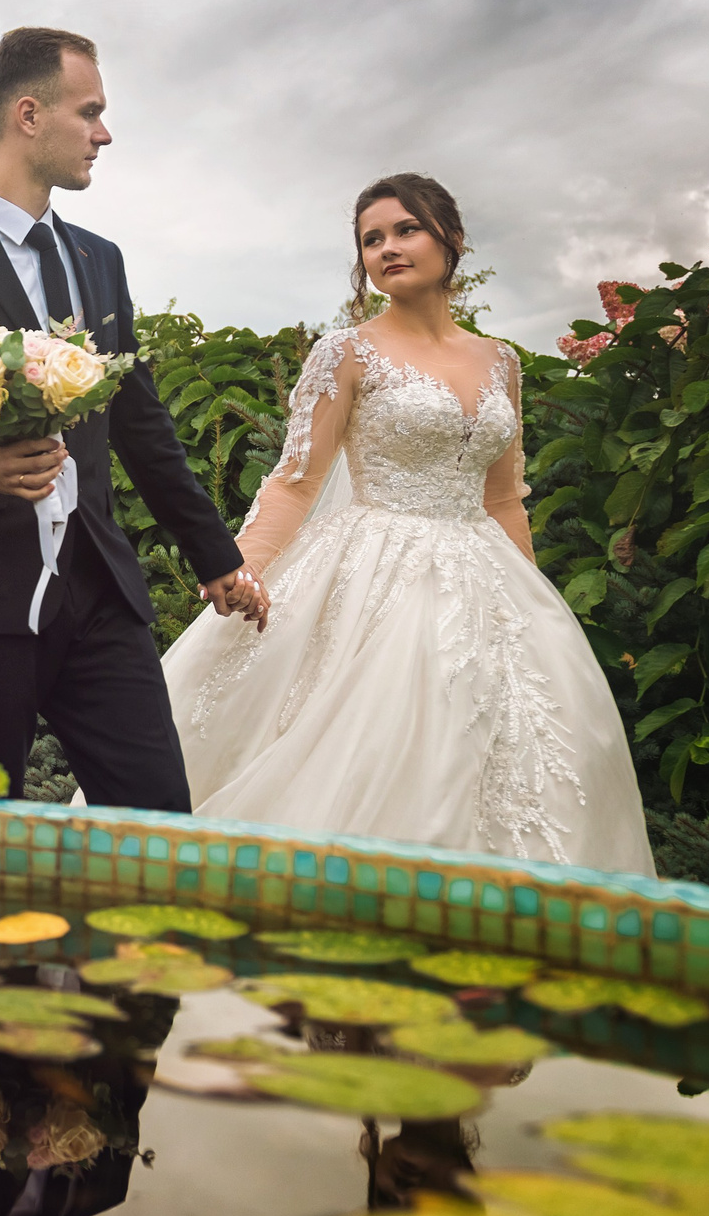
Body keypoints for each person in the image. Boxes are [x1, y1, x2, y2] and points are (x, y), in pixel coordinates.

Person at [166, 174, 656, 873]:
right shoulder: (347, 352)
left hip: (487, 574)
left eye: (405, 230)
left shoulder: (501, 362)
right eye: (371, 239)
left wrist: (532, 604)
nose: (387, 248)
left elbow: (503, 498)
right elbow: (296, 479)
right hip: (373, 569)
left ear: (450, 238)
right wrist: (241, 562)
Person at [0, 26, 266, 811]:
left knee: (158, 827)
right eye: (91, 111)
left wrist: (217, 556)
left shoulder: (99, 261)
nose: (104, 133)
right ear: (30, 115)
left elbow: (141, 425)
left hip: (100, 598)